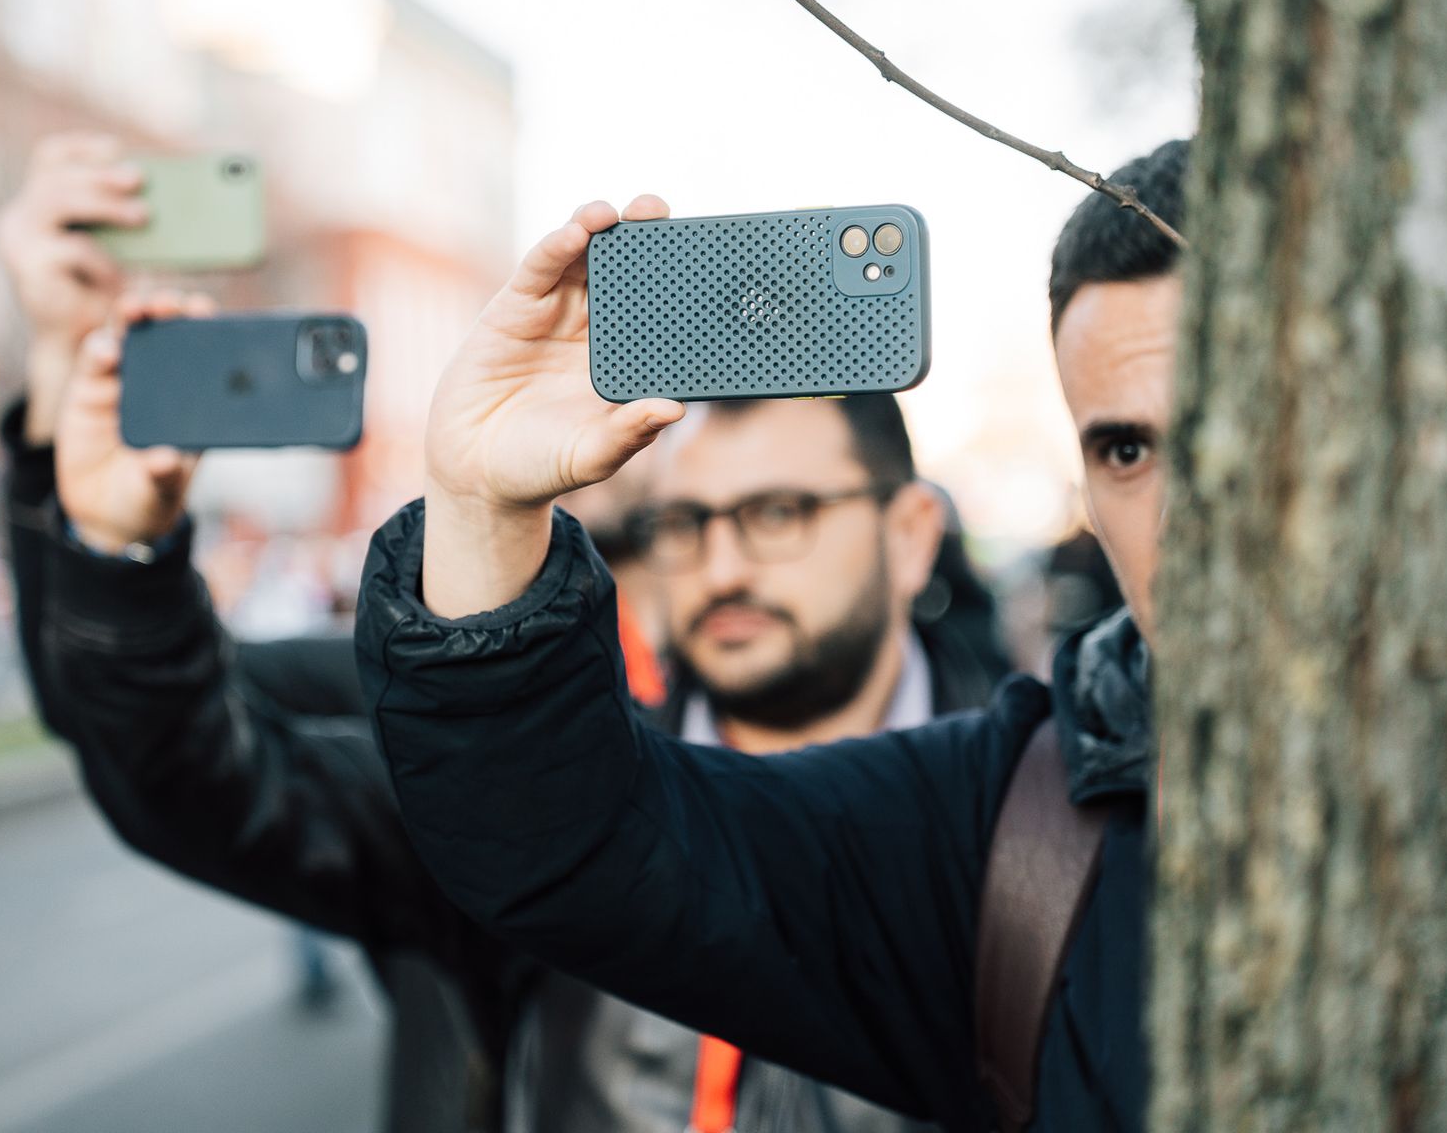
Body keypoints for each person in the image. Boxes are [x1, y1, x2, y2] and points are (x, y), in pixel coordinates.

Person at [0, 133, 1004, 1133]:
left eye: (780, 512)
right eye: (689, 522)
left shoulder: (1023, 832)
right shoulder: (527, 797)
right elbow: (184, 765)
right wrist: (112, 542)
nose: (725, 563)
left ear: (912, 533)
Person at [353, 140, 1192, 1130]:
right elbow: (567, 838)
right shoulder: (1015, 822)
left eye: (780, 511)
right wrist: (483, 505)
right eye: (1129, 448)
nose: (1196, 505)